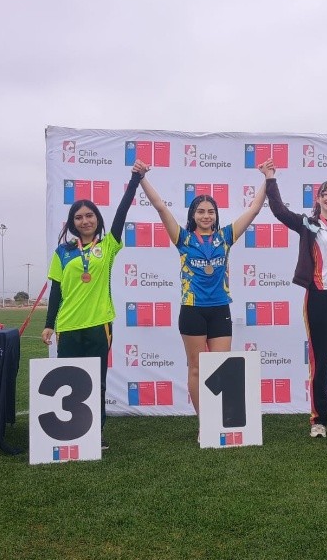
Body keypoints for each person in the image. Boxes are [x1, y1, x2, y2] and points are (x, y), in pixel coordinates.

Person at [138, 158, 275, 417]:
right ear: (193, 215)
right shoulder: (183, 238)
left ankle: (219, 417)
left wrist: (267, 177)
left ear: (216, 215)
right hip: (192, 310)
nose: (205, 216)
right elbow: (160, 208)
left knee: (220, 366)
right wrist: (142, 178)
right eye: (200, 211)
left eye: (210, 211)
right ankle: (205, 420)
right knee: (196, 369)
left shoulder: (225, 236)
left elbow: (255, 210)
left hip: (220, 309)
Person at [42, 161, 147, 449]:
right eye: (79, 217)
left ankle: (94, 435)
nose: (85, 221)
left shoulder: (108, 245)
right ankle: (69, 433)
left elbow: (123, 212)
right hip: (68, 326)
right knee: (69, 382)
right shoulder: (62, 251)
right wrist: (50, 324)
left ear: (97, 219)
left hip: (99, 326)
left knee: (96, 383)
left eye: (89, 216)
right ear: (72, 222)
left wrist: (135, 179)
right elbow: (56, 289)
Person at [264, 170, 327, 438]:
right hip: (319, 297)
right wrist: (270, 179)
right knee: (320, 361)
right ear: (318, 198)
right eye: (326, 193)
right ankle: (319, 420)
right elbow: (279, 211)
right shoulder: (309, 224)